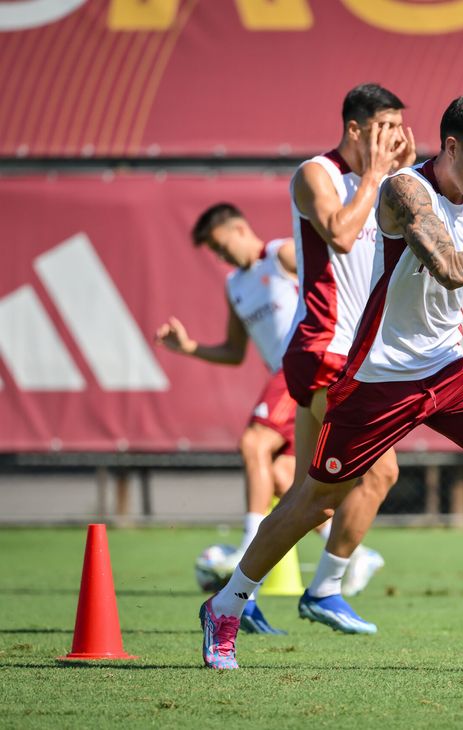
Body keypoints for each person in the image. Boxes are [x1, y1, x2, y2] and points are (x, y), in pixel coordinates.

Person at [199, 95, 463, 669]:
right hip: (380, 375)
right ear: (450, 147)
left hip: (447, 367)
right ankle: (226, 606)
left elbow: (447, 277)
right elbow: (448, 268)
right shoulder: (403, 191)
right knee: (316, 502)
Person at [275, 82, 414, 635]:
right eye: (386, 128)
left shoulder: (383, 182)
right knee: (381, 469)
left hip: (356, 354)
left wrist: (398, 175)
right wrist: (379, 176)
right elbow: (339, 233)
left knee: (312, 497)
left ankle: (236, 597)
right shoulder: (317, 174)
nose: (395, 139)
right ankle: (327, 589)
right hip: (323, 347)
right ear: (356, 129)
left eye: (401, 128)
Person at [156, 203, 300, 635]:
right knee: (280, 477)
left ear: (240, 228)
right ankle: (348, 552)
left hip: (303, 366)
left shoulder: (283, 255)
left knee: (253, 444)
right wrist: (190, 348)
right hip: (287, 381)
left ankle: (245, 559)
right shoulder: (234, 285)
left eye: (223, 246)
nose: (223, 256)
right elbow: (236, 352)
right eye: (215, 252)